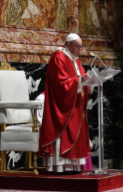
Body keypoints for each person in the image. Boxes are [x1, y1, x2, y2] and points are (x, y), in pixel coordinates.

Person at [38, 33, 92, 173]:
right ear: (69, 45)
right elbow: (60, 82)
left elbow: (80, 77)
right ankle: (60, 166)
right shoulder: (59, 56)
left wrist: (86, 81)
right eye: (78, 47)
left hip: (75, 104)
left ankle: (73, 166)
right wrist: (79, 80)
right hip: (61, 105)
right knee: (64, 130)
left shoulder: (75, 60)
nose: (80, 50)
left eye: (81, 47)